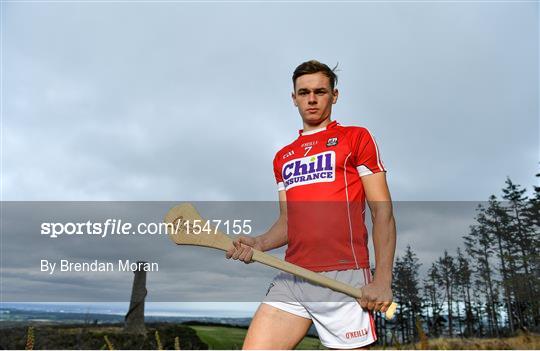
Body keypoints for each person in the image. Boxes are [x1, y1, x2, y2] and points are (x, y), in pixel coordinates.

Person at [226, 60, 396, 349]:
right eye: (304, 92)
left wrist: (382, 279)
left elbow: (382, 212)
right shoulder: (284, 157)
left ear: (335, 95)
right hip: (294, 276)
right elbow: (288, 222)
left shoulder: (355, 138)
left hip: (344, 276)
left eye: (320, 91)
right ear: (294, 98)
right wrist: (259, 243)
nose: (312, 99)